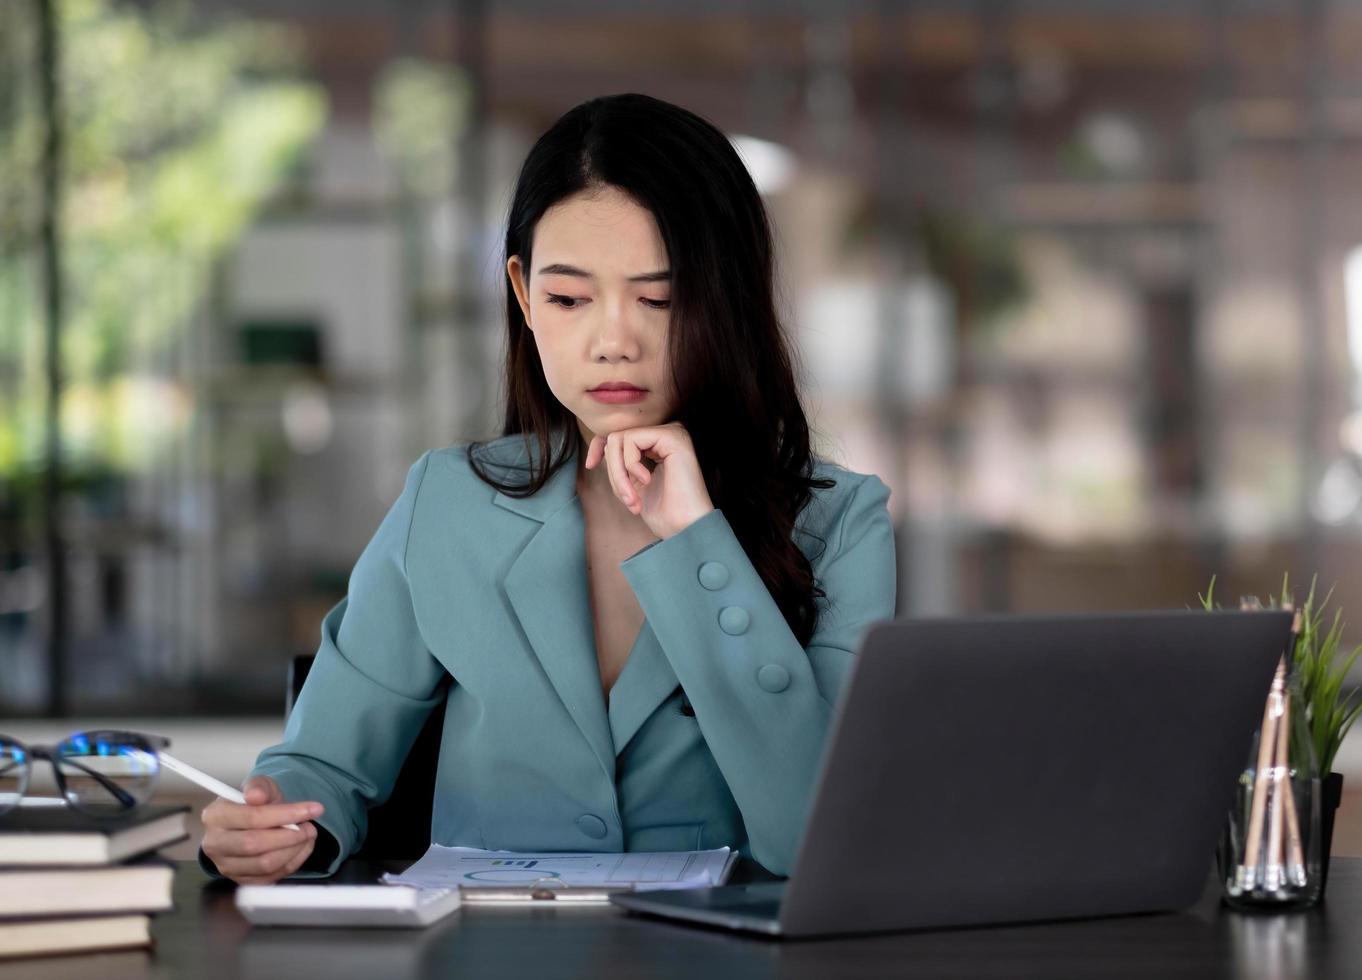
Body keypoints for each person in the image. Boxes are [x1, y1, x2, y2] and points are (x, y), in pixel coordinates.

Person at [199, 93, 897, 884]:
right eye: (568, 298)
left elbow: (816, 837)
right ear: (524, 295)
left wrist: (698, 539)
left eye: (659, 299)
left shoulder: (839, 522)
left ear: (729, 298)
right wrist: (273, 823)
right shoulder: (446, 503)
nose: (612, 342)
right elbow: (322, 765)